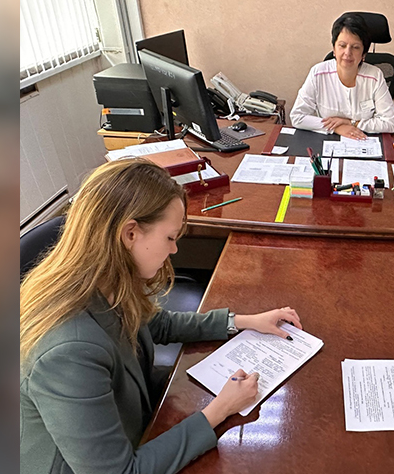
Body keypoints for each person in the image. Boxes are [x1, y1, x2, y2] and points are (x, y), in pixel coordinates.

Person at [20, 158, 302, 474]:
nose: (174, 250)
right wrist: (220, 410)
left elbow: (158, 323)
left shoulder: (104, 281)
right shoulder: (68, 351)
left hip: (132, 421)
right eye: (170, 238)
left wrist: (243, 321)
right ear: (130, 233)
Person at [290, 13, 394, 138]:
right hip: (328, 141)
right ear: (334, 49)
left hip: (365, 140)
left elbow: (390, 123)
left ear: (363, 54)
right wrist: (336, 127)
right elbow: (297, 116)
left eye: (355, 47)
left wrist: (352, 123)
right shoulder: (318, 73)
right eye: (342, 46)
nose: (347, 53)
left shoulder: (375, 76)